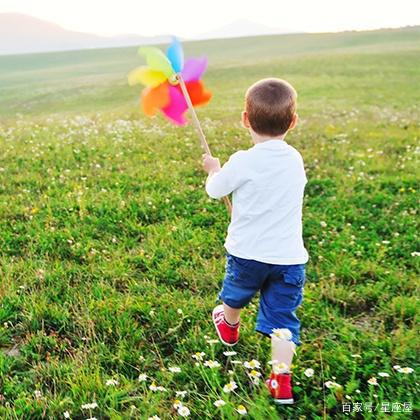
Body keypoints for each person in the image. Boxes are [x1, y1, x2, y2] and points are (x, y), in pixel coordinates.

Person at [202, 78, 309, 404]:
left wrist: (213, 169)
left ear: (245, 119)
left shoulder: (243, 160)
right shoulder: (295, 160)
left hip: (248, 253)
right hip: (288, 258)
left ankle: (230, 325)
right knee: (282, 320)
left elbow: (215, 190)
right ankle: (281, 381)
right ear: (293, 122)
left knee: (235, 295)